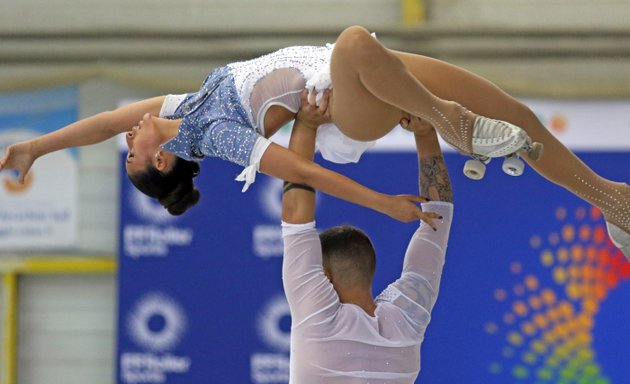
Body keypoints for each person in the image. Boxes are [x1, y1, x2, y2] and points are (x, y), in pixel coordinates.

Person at [0, 25, 628, 257]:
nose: (127, 135)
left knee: (517, 118)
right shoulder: (213, 134)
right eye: (133, 153)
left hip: (350, 68)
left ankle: (610, 202)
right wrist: (383, 204)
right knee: (357, 41)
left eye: (127, 141)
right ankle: (456, 126)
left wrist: (34, 148)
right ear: (162, 158)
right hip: (345, 106)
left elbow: (104, 122)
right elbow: (306, 173)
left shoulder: (178, 107)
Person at [281, 96, 453, 382]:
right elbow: (440, 214)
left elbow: (439, 216)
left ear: (326, 276)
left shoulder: (320, 319)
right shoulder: (404, 323)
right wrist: (307, 123)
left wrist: (425, 132)